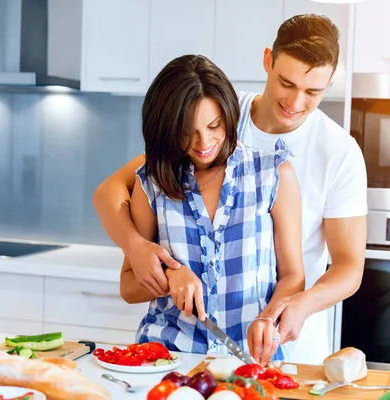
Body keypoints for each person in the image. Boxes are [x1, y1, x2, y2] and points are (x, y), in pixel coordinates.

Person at [94, 14, 367, 365]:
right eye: (287, 83)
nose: (296, 102)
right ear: (268, 60)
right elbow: (117, 188)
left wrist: (297, 304)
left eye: (314, 91)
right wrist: (139, 249)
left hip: (282, 337)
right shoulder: (214, 109)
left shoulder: (335, 152)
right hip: (175, 353)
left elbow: (347, 267)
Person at [118, 54, 305, 366]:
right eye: (186, 131)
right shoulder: (152, 183)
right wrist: (170, 276)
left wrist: (269, 319)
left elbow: (293, 276)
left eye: (214, 125)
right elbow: (128, 285)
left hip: (251, 361)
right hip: (167, 358)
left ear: (229, 115)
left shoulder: (272, 174)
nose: (203, 142)